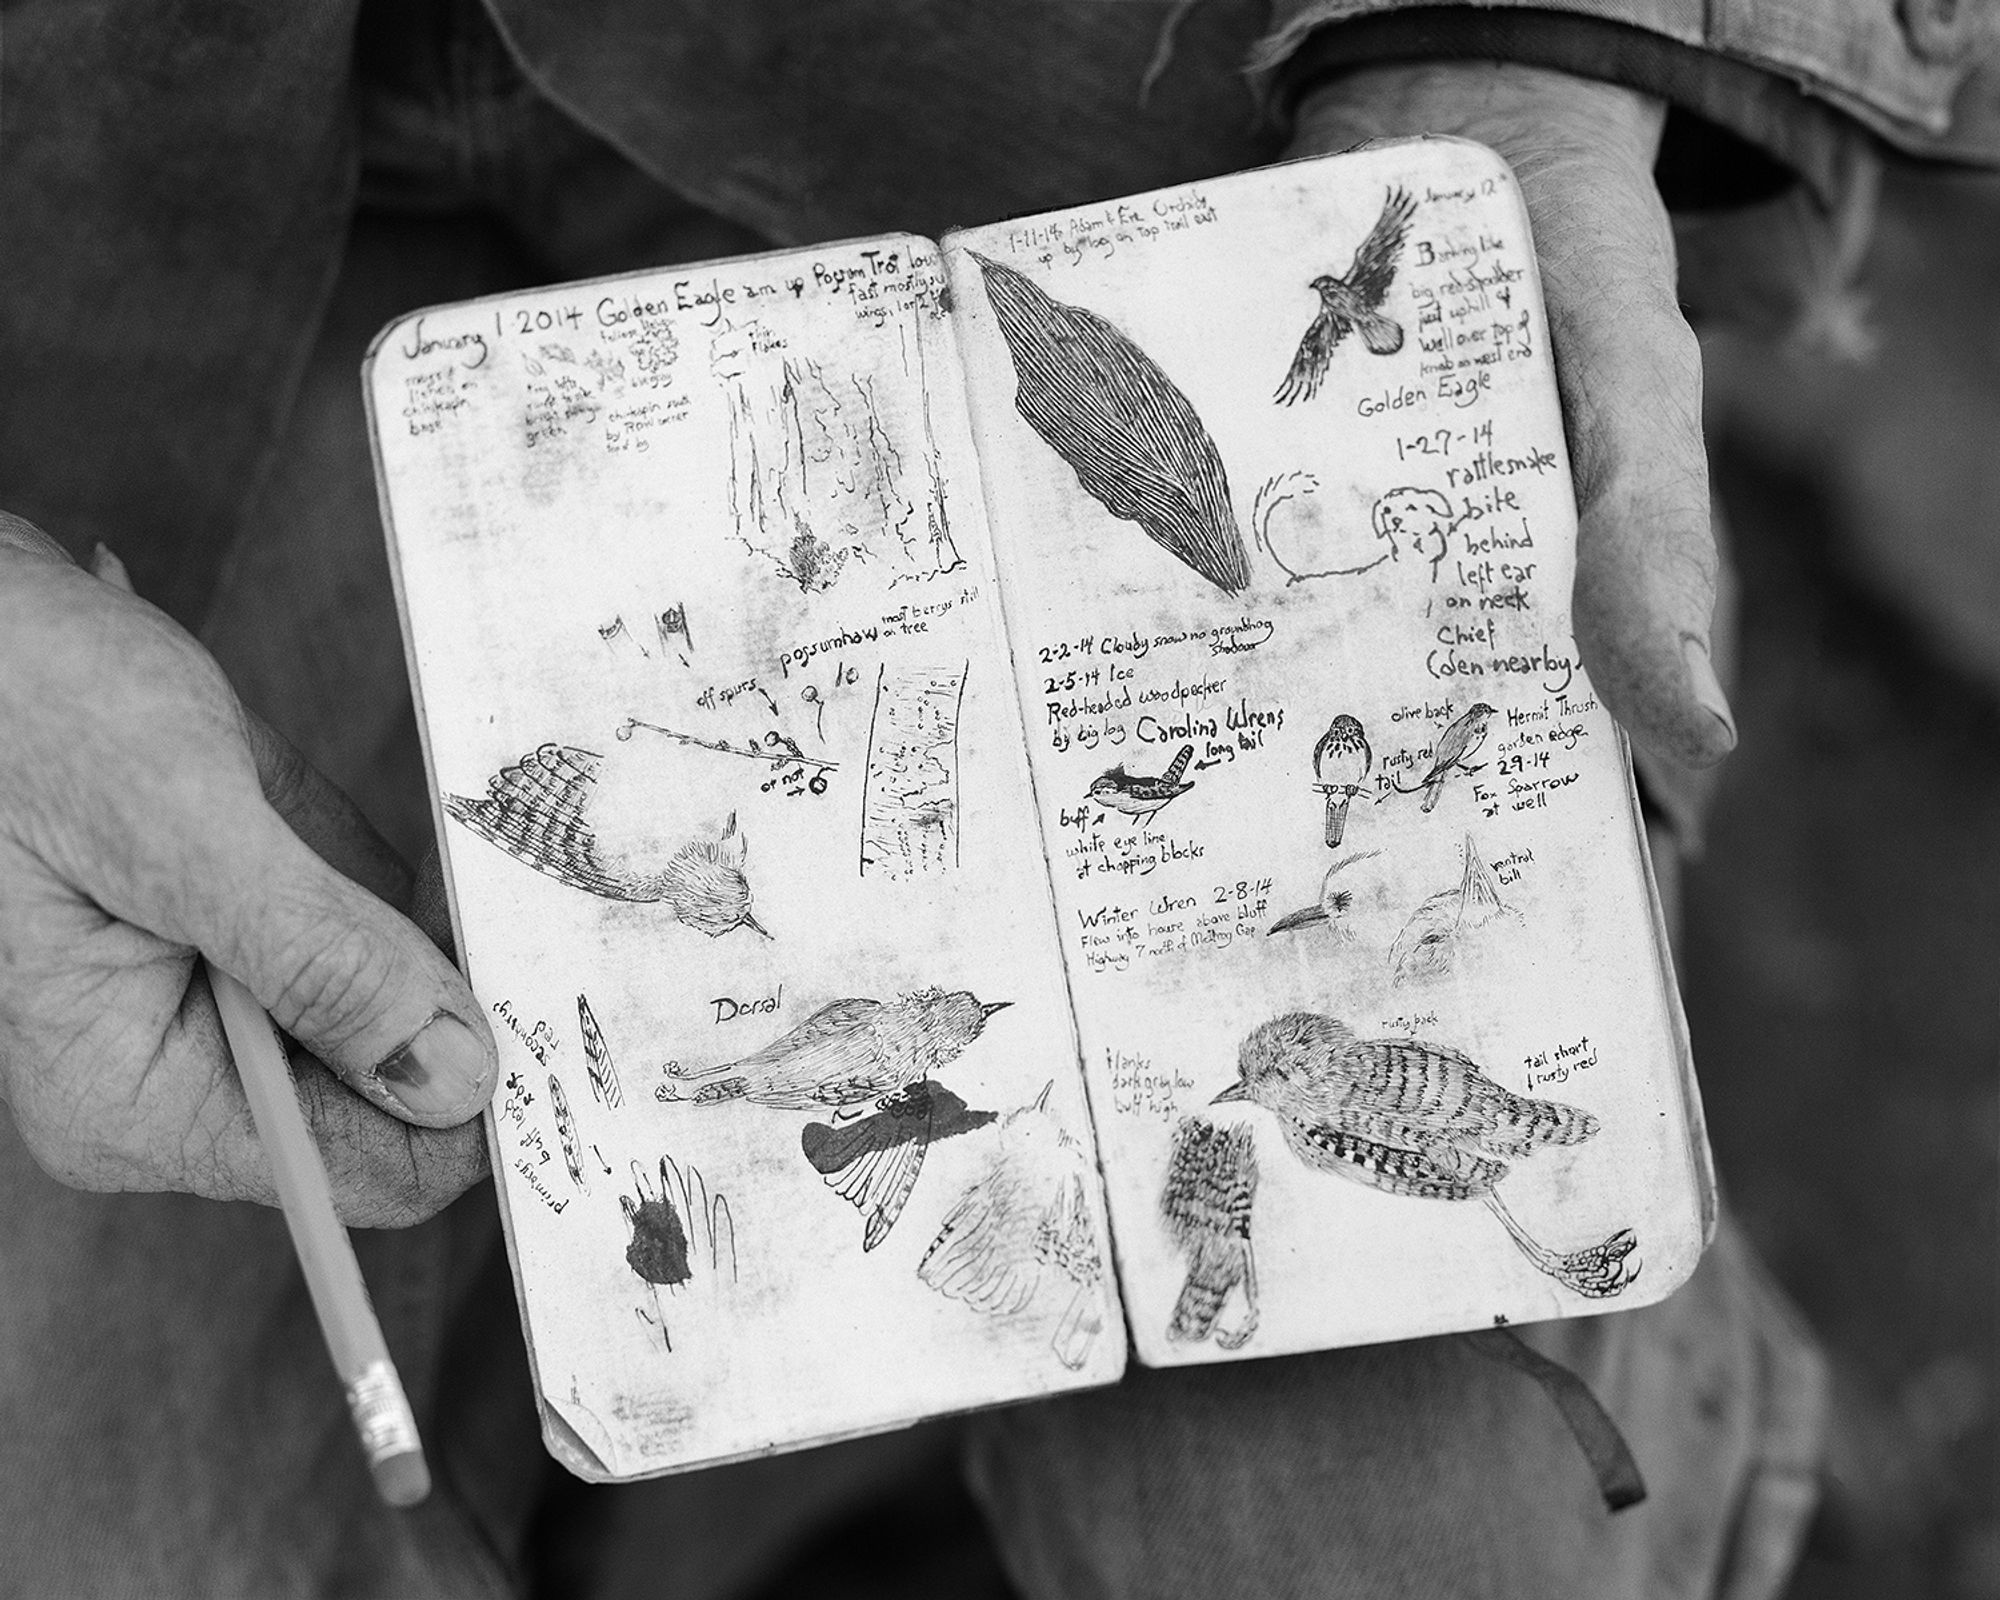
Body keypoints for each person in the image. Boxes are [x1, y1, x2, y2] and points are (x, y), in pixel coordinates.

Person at [0, 2, 1990, 1594]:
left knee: (1387, 1533)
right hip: (124, 342)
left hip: (1168, 140)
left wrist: (1527, 51)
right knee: (116, 1534)